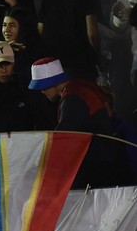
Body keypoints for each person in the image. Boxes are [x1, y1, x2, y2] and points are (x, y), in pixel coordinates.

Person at [28, 57, 130, 187]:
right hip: (109, 159)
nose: (42, 92)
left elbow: (64, 135)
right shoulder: (81, 86)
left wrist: (40, 158)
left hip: (97, 165)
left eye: (42, 87)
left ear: (51, 83)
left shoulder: (72, 99)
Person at [38, 0, 102, 81]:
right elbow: (92, 33)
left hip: (54, 67)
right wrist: (97, 57)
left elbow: (40, 31)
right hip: (81, 66)